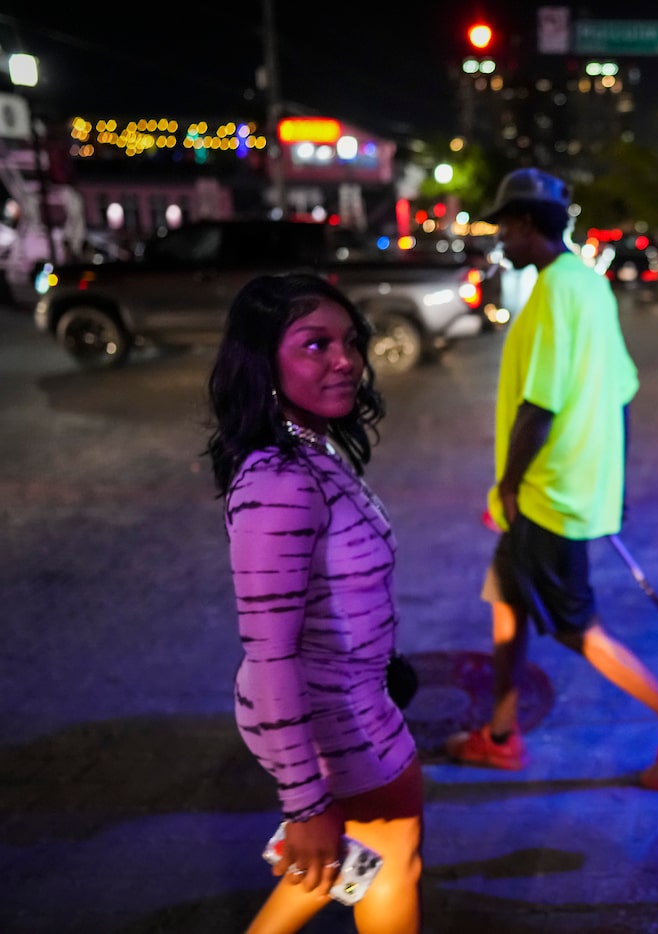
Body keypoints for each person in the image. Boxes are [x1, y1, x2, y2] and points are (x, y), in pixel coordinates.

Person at [446, 168, 658, 791]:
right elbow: (618, 391)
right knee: (505, 600)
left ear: (529, 225)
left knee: (577, 629)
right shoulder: (589, 285)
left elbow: (541, 405)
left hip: (546, 496)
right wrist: (609, 486)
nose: (499, 236)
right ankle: (501, 736)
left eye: (505, 225)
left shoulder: (558, 290)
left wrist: (507, 485)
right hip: (561, 489)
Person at [205, 273, 422, 934]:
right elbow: (269, 652)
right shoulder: (278, 481)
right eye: (315, 344)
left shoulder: (312, 446)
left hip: (351, 699)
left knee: (356, 871)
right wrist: (304, 803)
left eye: (350, 342)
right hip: (334, 718)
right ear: (263, 360)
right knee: (386, 867)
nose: (345, 360)